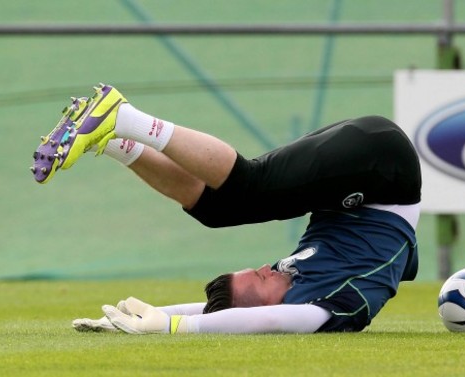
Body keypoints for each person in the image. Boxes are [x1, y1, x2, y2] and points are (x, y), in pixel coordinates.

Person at [32, 84, 422, 334]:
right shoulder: (330, 308)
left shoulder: (291, 289)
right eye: (262, 280)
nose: (269, 269)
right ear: (275, 301)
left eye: (257, 271)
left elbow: (227, 312)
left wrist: (145, 318)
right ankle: (123, 122)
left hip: (366, 171)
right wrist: (171, 327)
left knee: (219, 208)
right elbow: (265, 321)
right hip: (383, 168)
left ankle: (117, 136)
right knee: (246, 187)